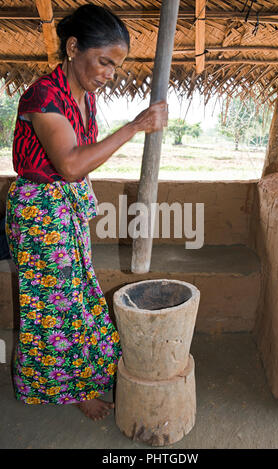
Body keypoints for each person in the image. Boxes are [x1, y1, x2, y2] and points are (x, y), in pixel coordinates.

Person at [5, 4, 168, 421]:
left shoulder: (84, 99)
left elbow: (83, 166)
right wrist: (134, 127)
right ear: (74, 47)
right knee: (53, 307)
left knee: (74, 300)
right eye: (104, 62)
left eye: (115, 66)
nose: (110, 73)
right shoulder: (44, 96)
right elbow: (72, 164)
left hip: (64, 212)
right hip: (40, 213)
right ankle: (63, 389)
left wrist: (84, 201)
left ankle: (76, 380)